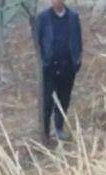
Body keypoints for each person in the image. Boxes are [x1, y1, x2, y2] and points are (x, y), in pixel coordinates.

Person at [35, 0, 82, 142]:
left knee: (64, 99)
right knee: (47, 101)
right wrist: (43, 62)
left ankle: (59, 129)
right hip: (49, 67)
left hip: (68, 66)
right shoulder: (43, 18)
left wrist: (77, 61)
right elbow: (38, 41)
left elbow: (78, 40)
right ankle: (45, 133)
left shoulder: (73, 17)